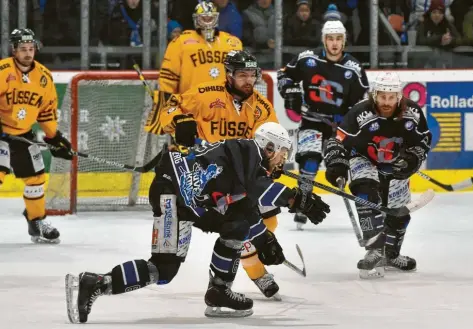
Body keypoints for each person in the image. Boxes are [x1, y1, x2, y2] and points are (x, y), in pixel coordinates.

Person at [65, 122, 331, 322]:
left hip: (191, 202)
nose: (283, 160)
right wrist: (297, 200)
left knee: (229, 229)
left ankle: (217, 291)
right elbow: (260, 188)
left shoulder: (252, 165)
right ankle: (99, 282)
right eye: (282, 154)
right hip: (173, 193)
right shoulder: (247, 151)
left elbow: (246, 211)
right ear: (268, 147)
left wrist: (265, 241)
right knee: (167, 266)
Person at [147, 50, 285, 300]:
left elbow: (271, 138)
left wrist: (273, 160)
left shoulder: (261, 107)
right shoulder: (204, 94)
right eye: (242, 75)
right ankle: (253, 273)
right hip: (204, 180)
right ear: (229, 75)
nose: (248, 81)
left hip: (242, 179)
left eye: (252, 75)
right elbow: (169, 108)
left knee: (268, 220)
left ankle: (244, 275)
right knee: (173, 261)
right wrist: (179, 121)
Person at [323, 72, 432, 279]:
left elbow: (424, 140)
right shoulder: (359, 113)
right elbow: (337, 141)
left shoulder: (412, 112)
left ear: (399, 96)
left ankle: (391, 254)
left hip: (395, 163)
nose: (387, 102)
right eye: (383, 97)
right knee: (366, 191)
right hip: (363, 158)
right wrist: (336, 164)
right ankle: (374, 248)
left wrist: (412, 159)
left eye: (391, 97)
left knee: (399, 215)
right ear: (375, 95)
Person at [277, 20, 369, 230]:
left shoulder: (353, 68)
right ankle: (303, 203)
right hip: (312, 120)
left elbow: (361, 103)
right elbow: (284, 74)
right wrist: (289, 91)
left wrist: (348, 119)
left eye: (338, 39)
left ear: (344, 41)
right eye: (330, 38)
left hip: (339, 125)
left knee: (343, 166)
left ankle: (368, 209)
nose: (334, 43)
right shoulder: (307, 58)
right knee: (309, 161)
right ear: (324, 40)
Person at [0, 28, 73, 244]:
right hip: (1, 134)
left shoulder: (44, 77)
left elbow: (46, 112)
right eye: (23, 49)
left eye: (31, 49)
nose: (27, 53)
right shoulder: (2, 71)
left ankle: (36, 222)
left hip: (23, 135)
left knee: (36, 179)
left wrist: (54, 138)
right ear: (14, 50)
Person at [149, 0, 242, 121]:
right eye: (203, 18)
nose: (207, 23)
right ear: (196, 19)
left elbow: (240, 79)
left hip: (223, 110)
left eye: (210, 18)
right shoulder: (181, 42)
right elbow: (168, 79)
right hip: (191, 109)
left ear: (217, 18)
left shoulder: (232, 43)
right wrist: (166, 104)